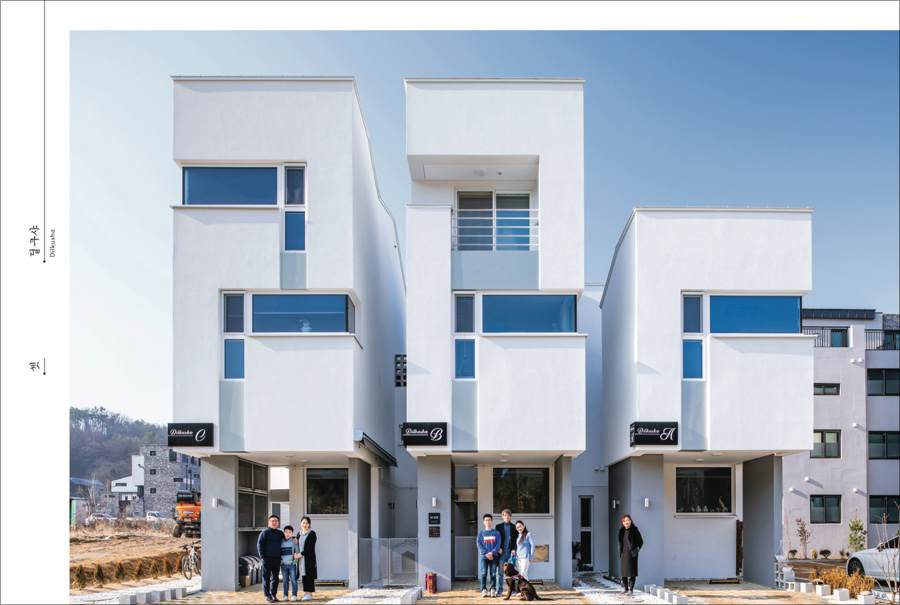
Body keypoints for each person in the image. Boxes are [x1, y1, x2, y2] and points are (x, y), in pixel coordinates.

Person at [258, 515, 285, 603]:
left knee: (275, 578)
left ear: (278, 523)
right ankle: (268, 595)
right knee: (266, 577)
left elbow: (286, 540)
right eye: (272, 521)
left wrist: (294, 539)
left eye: (276, 521)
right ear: (269, 522)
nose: (274, 522)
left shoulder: (280, 533)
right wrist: (262, 556)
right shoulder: (265, 532)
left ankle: (274, 594)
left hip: (277, 558)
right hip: (267, 558)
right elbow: (259, 545)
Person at [495, 509, 519, 596]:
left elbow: (517, 541)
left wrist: (514, 549)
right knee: (500, 572)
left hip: (510, 553)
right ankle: (500, 589)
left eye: (508, 515)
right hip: (501, 553)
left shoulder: (514, 527)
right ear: (502, 517)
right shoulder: (498, 527)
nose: (506, 517)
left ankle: (512, 590)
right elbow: (496, 540)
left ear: (510, 517)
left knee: (512, 572)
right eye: (504, 515)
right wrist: (498, 548)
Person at [618, 514, 643, 595]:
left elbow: (640, 541)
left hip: (632, 554)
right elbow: (620, 542)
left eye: (628, 520)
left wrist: (636, 550)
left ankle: (631, 590)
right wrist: (620, 550)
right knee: (624, 572)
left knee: (632, 572)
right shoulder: (621, 531)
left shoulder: (634, 530)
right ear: (623, 522)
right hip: (623, 553)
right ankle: (626, 589)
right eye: (625, 521)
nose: (627, 522)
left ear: (631, 521)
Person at [477, 513, 501, 597]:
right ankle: (483, 589)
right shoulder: (481, 533)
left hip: (494, 556)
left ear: (492, 521)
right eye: (486, 520)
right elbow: (479, 545)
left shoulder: (496, 533)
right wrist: (487, 553)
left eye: (489, 520)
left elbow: (498, 544)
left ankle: (492, 589)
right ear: (483, 522)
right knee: (483, 573)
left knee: (493, 573)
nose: (488, 522)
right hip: (484, 557)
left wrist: (492, 553)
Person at [294, 516, 317, 602]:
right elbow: (297, 545)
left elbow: (310, 547)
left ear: (309, 524)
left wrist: (301, 554)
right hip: (301, 559)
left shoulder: (312, 534)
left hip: (309, 558)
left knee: (309, 575)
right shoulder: (299, 534)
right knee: (303, 574)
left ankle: (310, 594)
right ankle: (306, 592)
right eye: (303, 523)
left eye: (306, 523)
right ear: (301, 524)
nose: (305, 524)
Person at [280, 525, 301, 602]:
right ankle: (285, 595)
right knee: (285, 581)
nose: (288, 533)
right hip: (283, 565)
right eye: (286, 532)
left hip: (292, 565)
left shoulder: (294, 541)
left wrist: (294, 562)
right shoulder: (281, 542)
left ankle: (294, 595)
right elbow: (279, 552)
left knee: (293, 580)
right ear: (284, 533)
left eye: (289, 532)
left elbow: (297, 551)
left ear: (292, 533)